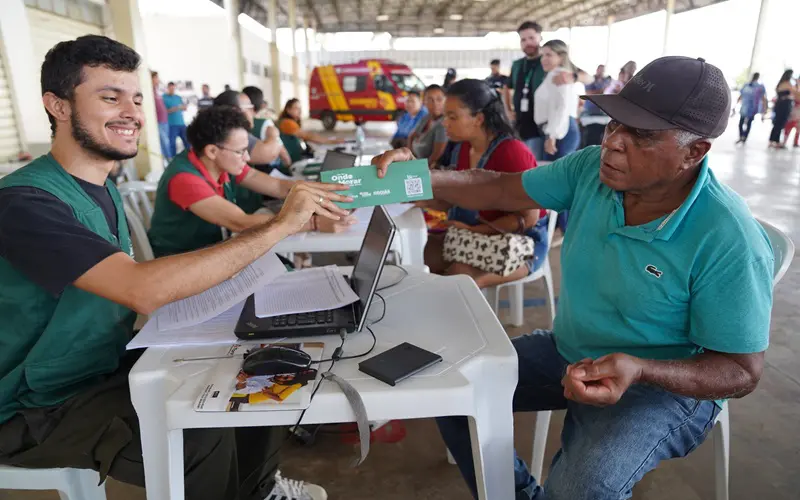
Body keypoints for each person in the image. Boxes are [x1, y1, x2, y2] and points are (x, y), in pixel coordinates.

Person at [373, 56, 773, 500]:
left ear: (693, 152)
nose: (613, 143)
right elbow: (500, 187)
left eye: (640, 135)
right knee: (446, 391)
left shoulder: (727, 236)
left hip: (662, 387)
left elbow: (740, 370)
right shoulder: (589, 172)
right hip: (570, 349)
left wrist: (639, 368)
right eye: (613, 124)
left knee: (586, 488)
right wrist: (412, 176)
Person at [0, 35, 349, 500]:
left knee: (259, 373)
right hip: (32, 406)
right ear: (58, 106)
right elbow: (139, 289)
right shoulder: (24, 203)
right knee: (198, 434)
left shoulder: (98, 187)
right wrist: (281, 226)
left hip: (97, 367)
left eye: (136, 98)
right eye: (110, 97)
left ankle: (256, 491)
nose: (131, 112)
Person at [148, 105, 355, 257]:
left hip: (213, 250)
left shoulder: (218, 161)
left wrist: (326, 192)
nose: (247, 158)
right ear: (212, 150)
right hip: (183, 263)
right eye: (240, 152)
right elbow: (241, 222)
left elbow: (276, 185)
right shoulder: (185, 180)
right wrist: (314, 223)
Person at [422, 79, 548, 288]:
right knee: (416, 255)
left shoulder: (512, 152)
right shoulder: (462, 149)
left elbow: (529, 218)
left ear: (478, 118)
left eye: (452, 117)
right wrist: (418, 200)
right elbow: (457, 197)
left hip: (522, 244)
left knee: (459, 279)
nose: (445, 123)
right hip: (471, 237)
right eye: (445, 116)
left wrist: (475, 231)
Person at [505, 21, 576, 160]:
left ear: (540, 38)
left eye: (531, 38)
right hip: (522, 126)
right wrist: (508, 110)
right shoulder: (518, 65)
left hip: (544, 130)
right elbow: (507, 87)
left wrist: (573, 76)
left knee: (541, 169)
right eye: (523, 39)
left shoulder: (554, 66)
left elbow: (562, 106)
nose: (528, 42)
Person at [535, 40, 581, 161]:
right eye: (542, 55)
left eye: (548, 55)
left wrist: (552, 136)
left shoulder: (560, 76)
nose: (543, 59)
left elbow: (562, 107)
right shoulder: (552, 74)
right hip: (557, 128)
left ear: (561, 57)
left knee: (556, 175)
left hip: (561, 130)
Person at [580, 61, 637, 148]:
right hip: (596, 113)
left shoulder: (609, 82)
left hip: (611, 115)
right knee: (593, 135)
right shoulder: (593, 80)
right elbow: (593, 92)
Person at [278, 98, 342, 162]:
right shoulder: (287, 123)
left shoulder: (289, 122)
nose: (300, 111)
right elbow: (308, 136)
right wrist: (330, 141)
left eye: (300, 108)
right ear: (288, 110)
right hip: (291, 160)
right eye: (296, 108)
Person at [408, 84, 448, 166]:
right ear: (424, 102)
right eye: (430, 99)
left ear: (445, 101)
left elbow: (436, 154)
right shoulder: (426, 118)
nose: (435, 103)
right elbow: (411, 136)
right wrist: (409, 157)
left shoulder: (444, 123)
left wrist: (422, 169)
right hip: (416, 160)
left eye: (439, 99)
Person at [735, 72, 768, 144]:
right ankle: (744, 137)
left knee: (742, 122)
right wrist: (764, 109)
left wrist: (736, 105)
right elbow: (764, 99)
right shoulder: (759, 86)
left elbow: (741, 96)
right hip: (752, 108)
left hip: (747, 107)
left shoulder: (748, 85)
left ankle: (742, 137)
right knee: (747, 123)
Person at [769, 70, 795, 149]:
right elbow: (795, 92)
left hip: (779, 105)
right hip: (784, 106)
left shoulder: (780, 83)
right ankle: (775, 141)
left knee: (777, 123)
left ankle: (773, 140)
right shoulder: (787, 84)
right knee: (780, 123)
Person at [162, 81, 188, 157]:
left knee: (187, 141)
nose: (172, 90)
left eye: (173, 88)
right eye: (170, 88)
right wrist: (176, 108)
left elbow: (183, 107)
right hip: (171, 125)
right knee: (172, 144)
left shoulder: (178, 97)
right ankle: (173, 159)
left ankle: (190, 158)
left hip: (181, 124)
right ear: (168, 88)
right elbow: (164, 112)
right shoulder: (164, 98)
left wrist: (183, 107)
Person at [150, 71, 171, 161]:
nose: (158, 80)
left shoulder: (157, 90)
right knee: (164, 142)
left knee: (166, 142)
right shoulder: (150, 90)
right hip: (159, 122)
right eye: (156, 78)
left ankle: (167, 159)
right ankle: (168, 160)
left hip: (164, 121)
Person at [781, 80, 800, 148]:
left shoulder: (795, 88)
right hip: (793, 110)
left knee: (797, 127)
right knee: (789, 126)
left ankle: (795, 142)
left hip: (796, 110)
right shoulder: (794, 87)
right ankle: (784, 142)